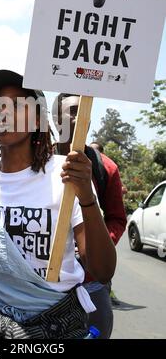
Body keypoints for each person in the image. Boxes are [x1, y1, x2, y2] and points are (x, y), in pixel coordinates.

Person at [0, 69, 116, 339]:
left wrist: (86, 196)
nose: (5, 112)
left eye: (18, 105)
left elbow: (103, 269)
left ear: (38, 118)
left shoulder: (67, 173)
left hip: (57, 327)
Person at [52, 93, 127, 338]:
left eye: (84, 111)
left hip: (92, 284)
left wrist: (95, 246)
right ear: (55, 119)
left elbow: (116, 218)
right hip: (48, 287)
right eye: (72, 112)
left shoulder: (106, 168)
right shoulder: (36, 164)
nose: (80, 117)